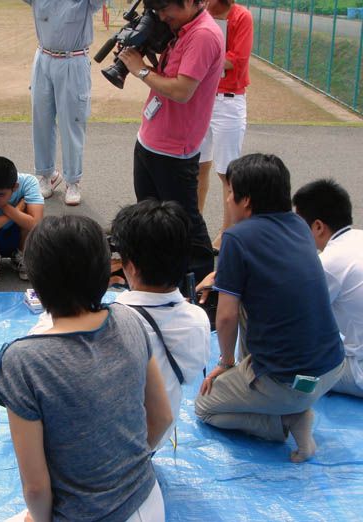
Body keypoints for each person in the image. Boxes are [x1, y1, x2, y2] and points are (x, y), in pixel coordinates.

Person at [0, 215, 173, 522]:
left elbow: (35, 488)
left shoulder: (23, 361)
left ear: (36, 280)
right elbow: (163, 417)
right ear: (105, 273)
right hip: (149, 501)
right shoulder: (129, 318)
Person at [194, 153, 345, 463]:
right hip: (331, 370)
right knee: (246, 299)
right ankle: (281, 402)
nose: (227, 199)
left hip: (287, 383)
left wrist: (225, 362)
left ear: (246, 201)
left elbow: (225, 316)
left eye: (231, 192)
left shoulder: (236, 237)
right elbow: (279, 279)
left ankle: (283, 421)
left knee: (204, 407)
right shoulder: (299, 226)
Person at [118, 0, 224, 283]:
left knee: (185, 224)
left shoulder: (203, 35)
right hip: (150, 139)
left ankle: (203, 288)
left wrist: (139, 69)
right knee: (150, 219)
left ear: (190, 1)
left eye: (166, 9)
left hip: (175, 150)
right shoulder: (180, 27)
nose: (162, 16)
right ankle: (157, 280)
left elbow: (181, 90)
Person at [111, 199, 211, 451]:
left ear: (130, 268)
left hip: (112, 445)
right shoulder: (197, 319)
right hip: (157, 438)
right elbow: (189, 375)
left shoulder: (111, 320)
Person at [23, 0, 105, 206]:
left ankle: (72, 180)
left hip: (73, 60)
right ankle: (46, 175)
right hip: (43, 58)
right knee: (41, 120)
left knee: (72, 123)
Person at [293, 179, 363, 398]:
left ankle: (291, 409)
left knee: (290, 368)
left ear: (318, 226)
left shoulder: (329, 263)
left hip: (358, 370)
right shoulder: (358, 237)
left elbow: (297, 317)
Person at [197, 0, 253, 251]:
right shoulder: (199, 13)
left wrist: (198, 59)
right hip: (201, 97)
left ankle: (227, 233)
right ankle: (193, 224)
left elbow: (237, 59)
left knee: (226, 173)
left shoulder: (241, 17)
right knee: (197, 165)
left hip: (228, 101)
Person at [0, 156, 44, 283]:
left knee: (30, 213)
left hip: (18, 238)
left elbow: (36, 226)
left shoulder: (29, 182)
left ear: (15, 187)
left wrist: (7, 209)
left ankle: (22, 256)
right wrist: (15, 210)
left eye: (0, 194)